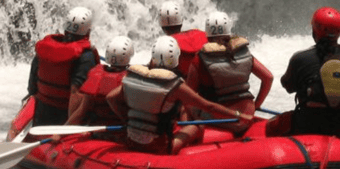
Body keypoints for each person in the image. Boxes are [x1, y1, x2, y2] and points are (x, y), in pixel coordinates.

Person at [106, 36, 253, 154]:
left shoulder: (132, 77)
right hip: (158, 147)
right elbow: (208, 106)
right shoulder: (175, 85)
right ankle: (193, 154)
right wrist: (238, 114)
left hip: (130, 140)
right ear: (176, 58)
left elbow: (111, 98)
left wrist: (126, 118)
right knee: (197, 126)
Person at [265, 7, 340, 141]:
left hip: (307, 127)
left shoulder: (300, 58)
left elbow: (288, 87)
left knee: (271, 126)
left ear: (314, 30)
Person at [186, 11, 273, 135]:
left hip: (222, 120)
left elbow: (188, 97)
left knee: (184, 105)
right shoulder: (243, 52)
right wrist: (257, 105)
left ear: (207, 34)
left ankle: (187, 136)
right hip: (247, 115)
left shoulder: (200, 58)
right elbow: (268, 78)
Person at [27, 7, 99, 126]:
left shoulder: (45, 48)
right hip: (64, 117)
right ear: (88, 32)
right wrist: (67, 128)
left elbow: (32, 87)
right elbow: (76, 92)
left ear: (65, 29)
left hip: (41, 113)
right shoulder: (86, 57)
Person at [64, 36, 135, 126]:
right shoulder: (131, 78)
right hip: (120, 129)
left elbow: (81, 111)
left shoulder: (96, 75)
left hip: (96, 128)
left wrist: (61, 131)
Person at [159, 1, 208, 78]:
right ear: (181, 21)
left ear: (162, 26)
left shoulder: (163, 47)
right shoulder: (201, 34)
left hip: (186, 84)